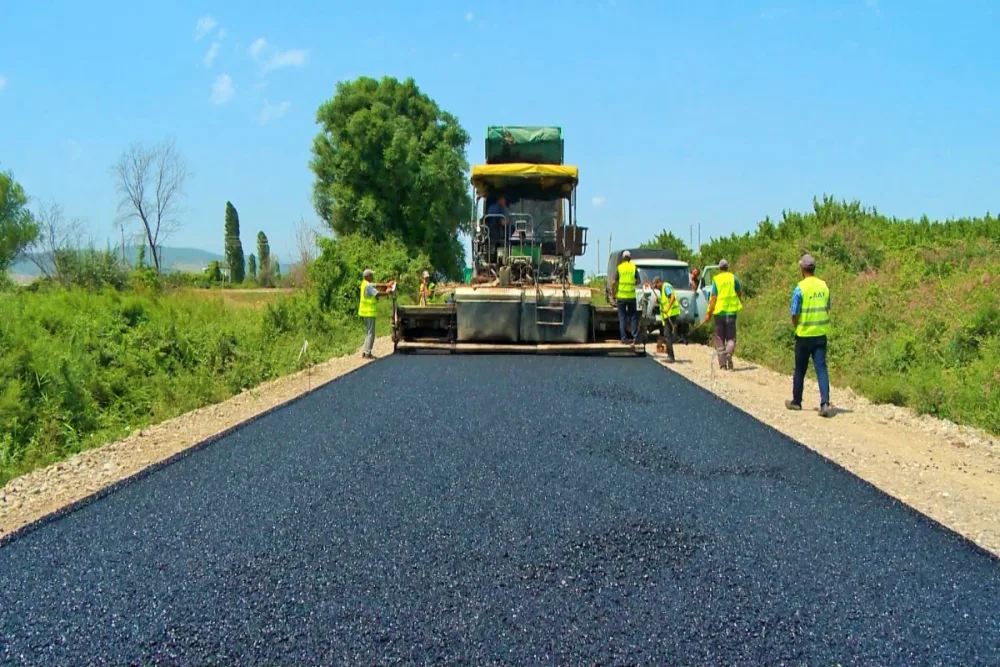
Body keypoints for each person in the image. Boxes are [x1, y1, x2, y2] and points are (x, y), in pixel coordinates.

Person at [785, 254, 833, 417]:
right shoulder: (824, 286)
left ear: (802, 269)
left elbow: (794, 313)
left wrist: (797, 324)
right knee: (821, 368)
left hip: (804, 334)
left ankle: (796, 401)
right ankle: (825, 403)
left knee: (800, 369)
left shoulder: (800, 288)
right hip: (820, 334)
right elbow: (827, 307)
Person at [699, 259, 742, 370]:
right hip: (731, 313)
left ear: (719, 268)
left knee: (719, 338)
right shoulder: (733, 278)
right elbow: (739, 292)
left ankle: (722, 365)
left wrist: (709, 313)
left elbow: (713, 298)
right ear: (727, 267)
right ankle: (729, 353)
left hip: (719, 314)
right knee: (731, 338)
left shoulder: (716, 280)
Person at [358, 268, 393, 359]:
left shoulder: (364, 283)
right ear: (368, 276)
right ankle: (368, 353)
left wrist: (386, 284)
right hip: (369, 312)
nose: (373, 276)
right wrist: (387, 292)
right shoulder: (368, 286)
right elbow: (377, 294)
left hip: (364, 312)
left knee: (368, 333)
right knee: (371, 334)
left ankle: (365, 352)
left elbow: (375, 284)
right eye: (371, 275)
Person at [611, 250, 641, 344]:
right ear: (630, 258)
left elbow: (613, 282)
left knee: (622, 318)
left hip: (621, 297)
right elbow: (639, 281)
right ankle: (635, 337)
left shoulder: (619, 268)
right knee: (633, 317)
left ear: (623, 258)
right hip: (631, 296)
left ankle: (624, 339)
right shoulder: (633, 267)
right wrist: (633, 284)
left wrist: (613, 294)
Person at [652, 277, 679, 362]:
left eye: (656, 286)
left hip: (670, 314)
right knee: (668, 335)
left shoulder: (666, 286)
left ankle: (671, 356)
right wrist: (658, 300)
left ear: (659, 282)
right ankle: (670, 355)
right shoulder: (662, 290)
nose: (656, 288)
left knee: (667, 335)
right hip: (667, 315)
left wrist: (667, 308)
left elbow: (672, 297)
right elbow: (664, 300)